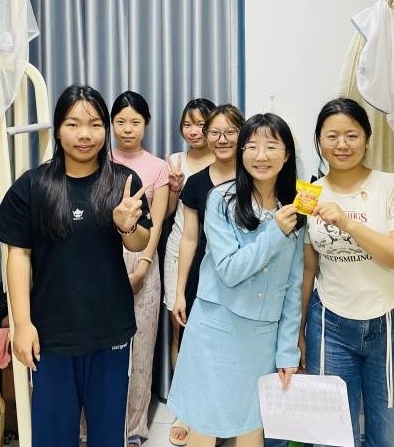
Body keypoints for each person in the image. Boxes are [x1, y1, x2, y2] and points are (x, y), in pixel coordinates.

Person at [0, 84, 151, 447]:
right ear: (58, 129)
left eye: (94, 124)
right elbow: (18, 257)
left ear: (105, 129)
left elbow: (138, 242)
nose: (84, 135)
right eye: (73, 124)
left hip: (110, 330)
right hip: (52, 334)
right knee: (53, 436)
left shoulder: (123, 182)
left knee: (107, 435)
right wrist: (22, 324)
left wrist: (127, 225)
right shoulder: (34, 186)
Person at [168, 112, 305, 447]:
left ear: (286, 154)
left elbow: (292, 287)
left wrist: (287, 351)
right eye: (252, 146)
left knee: (251, 427)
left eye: (271, 146)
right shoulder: (221, 200)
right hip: (216, 330)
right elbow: (229, 270)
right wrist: (275, 232)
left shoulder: (293, 209)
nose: (261, 155)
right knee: (205, 424)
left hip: (260, 338)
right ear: (242, 152)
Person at [299, 97, 394, 446]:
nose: (342, 144)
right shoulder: (309, 194)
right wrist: (298, 332)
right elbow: (308, 269)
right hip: (329, 326)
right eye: (332, 136)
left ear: (367, 138)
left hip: (391, 326)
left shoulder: (391, 187)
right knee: (331, 437)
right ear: (319, 140)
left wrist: (349, 224)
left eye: (352, 135)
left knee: (389, 438)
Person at [169, 103, 243, 446]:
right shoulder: (196, 184)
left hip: (243, 278)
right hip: (203, 277)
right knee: (199, 350)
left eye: (230, 132)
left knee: (235, 351)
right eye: (215, 132)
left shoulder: (254, 177)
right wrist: (180, 292)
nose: (222, 139)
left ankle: (231, 417)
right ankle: (194, 414)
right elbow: (189, 238)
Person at [110, 90, 170, 447]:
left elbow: (157, 222)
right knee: (102, 349)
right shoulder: (100, 161)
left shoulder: (157, 166)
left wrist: (144, 265)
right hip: (105, 256)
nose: (127, 129)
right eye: (120, 121)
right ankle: (92, 428)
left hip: (144, 256)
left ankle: (134, 429)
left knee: (142, 348)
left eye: (135, 121)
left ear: (146, 124)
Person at [164, 98, 216, 370]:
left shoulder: (224, 160)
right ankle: (179, 394)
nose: (193, 131)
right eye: (187, 124)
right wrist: (175, 188)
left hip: (214, 253)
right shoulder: (175, 161)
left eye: (200, 124)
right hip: (178, 249)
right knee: (179, 329)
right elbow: (168, 212)